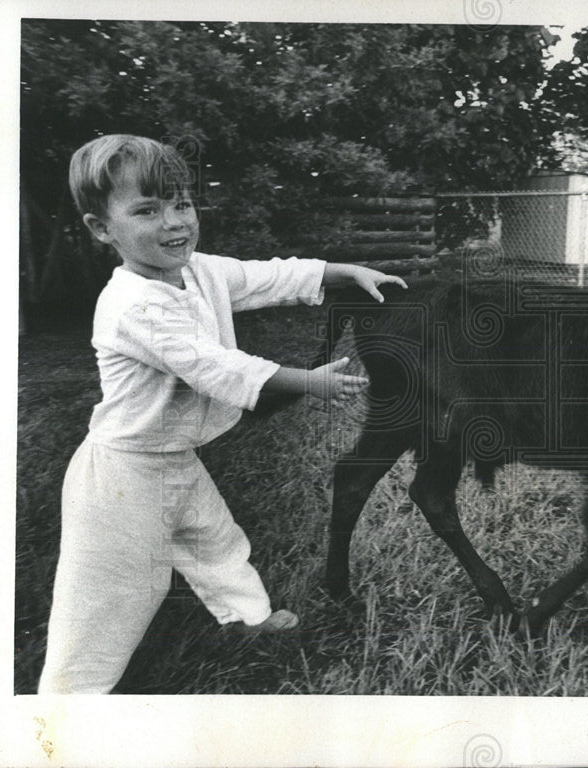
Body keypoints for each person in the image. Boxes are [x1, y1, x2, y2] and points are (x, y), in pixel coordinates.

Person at [38, 134, 407, 693]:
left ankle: (249, 619)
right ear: (100, 229)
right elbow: (216, 367)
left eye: (182, 203)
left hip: (174, 456)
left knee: (215, 541)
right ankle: (66, 703)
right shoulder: (131, 306)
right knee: (113, 589)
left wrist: (342, 270)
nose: (174, 222)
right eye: (147, 210)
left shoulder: (199, 271)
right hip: (121, 474)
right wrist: (307, 382)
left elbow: (269, 276)